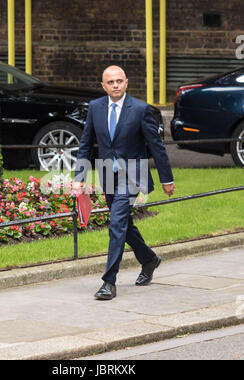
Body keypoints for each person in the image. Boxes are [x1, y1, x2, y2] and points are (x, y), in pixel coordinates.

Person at [73, 65, 175, 300]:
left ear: (127, 83)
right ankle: (149, 259)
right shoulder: (96, 107)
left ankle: (109, 282)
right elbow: (86, 144)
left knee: (117, 223)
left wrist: (166, 178)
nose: (116, 85)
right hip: (108, 173)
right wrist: (79, 178)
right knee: (124, 225)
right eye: (110, 82)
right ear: (103, 86)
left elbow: (156, 146)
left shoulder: (140, 110)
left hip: (132, 175)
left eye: (119, 81)